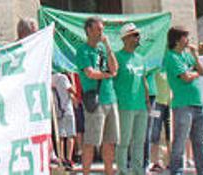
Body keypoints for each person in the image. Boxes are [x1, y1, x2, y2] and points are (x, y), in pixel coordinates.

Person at [163, 26, 203, 175]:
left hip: (197, 102)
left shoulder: (187, 55)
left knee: (200, 140)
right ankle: (177, 170)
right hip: (182, 104)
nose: (188, 40)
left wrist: (196, 57)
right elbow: (185, 77)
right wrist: (194, 73)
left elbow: (202, 71)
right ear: (177, 40)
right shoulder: (171, 56)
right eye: (186, 37)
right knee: (180, 139)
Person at [76, 16, 118, 175]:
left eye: (102, 29)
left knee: (110, 142)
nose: (102, 32)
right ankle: (86, 172)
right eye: (99, 29)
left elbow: (115, 69)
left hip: (110, 98)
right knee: (91, 142)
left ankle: (109, 172)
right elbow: (90, 73)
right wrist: (107, 74)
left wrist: (107, 46)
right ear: (89, 30)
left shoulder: (102, 50)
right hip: (95, 100)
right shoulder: (83, 50)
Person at [114, 23, 148, 175]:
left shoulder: (140, 58)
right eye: (134, 35)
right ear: (125, 38)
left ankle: (138, 171)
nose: (138, 38)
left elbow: (144, 80)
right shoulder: (117, 57)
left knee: (139, 141)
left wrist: (147, 100)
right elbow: (111, 80)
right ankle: (122, 170)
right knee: (124, 141)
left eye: (138, 35)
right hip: (124, 105)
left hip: (141, 105)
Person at [52, 71, 78, 169]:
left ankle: (61, 157)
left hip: (58, 109)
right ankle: (68, 158)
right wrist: (72, 79)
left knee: (61, 135)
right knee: (70, 134)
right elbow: (73, 90)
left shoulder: (52, 78)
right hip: (67, 108)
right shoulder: (63, 78)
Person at [148, 70, 171, 173]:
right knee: (155, 132)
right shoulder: (156, 68)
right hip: (156, 104)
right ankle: (154, 161)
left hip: (169, 103)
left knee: (169, 134)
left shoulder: (170, 67)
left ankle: (169, 161)